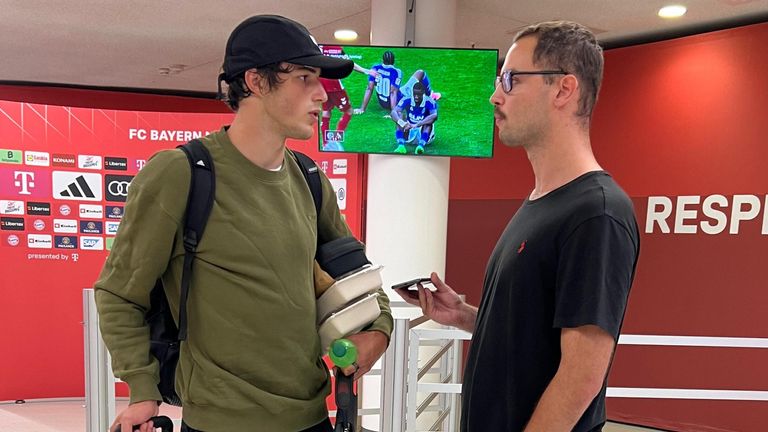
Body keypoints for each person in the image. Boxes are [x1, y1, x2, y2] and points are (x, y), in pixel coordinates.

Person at [95, 15, 392, 432]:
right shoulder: (181, 174)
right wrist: (143, 391)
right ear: (254, 80)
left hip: (312, 417)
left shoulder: (309, 179)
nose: (322, 95)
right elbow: (120, 294)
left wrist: (378, 330)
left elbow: (357, 276)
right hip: (220, 421)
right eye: (305, 78)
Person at [395, 21, 640, 431]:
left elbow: (581, 378)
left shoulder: (597, 214)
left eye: (510, 80)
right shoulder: (542, 201)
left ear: (563, 89)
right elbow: (534, 336)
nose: (495, 96)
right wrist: (466, 316)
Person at [319, 45, 378, 151]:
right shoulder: (337, 49)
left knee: (326, 111)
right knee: (349, 111)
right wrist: (367, 71)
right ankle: (336, 140)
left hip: (320, 83)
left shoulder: (319, 47)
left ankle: (325, 144)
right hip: (334, 84)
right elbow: (350, 65)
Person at [390, 81, 438, 155]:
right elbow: (393, 112)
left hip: (423, 131)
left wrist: (418, 124)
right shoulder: (407, 99)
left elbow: (434, 116)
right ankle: (401, 146)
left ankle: (420, 146)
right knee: (399, 115)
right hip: (409, 129)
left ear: (423, 93)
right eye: (414, 94)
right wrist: (403, 123)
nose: (416, 97)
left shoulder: (430, 101)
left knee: (429, 121)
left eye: (418, 95)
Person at [354, 50, 402, 114]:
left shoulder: (375, 68)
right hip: (396, 103)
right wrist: (393, 113)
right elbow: (393, 92)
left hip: (382, 103)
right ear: (393, 61)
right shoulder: (396, 71)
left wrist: (362, 109)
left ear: (382, 60)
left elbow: (369, 88)